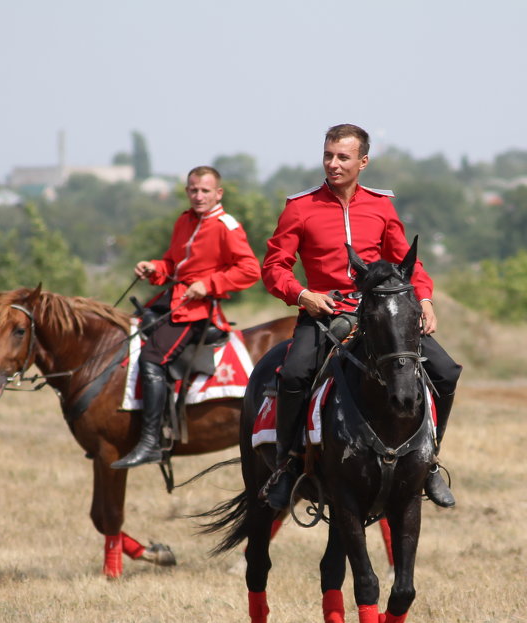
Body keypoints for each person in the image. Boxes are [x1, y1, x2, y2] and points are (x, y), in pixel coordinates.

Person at [260, 123, 462, 509]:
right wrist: (304, 295)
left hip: (382, 314)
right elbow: (273, 268)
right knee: (295, 374)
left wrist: (426, 300)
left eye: (342, 157)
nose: (333, 164)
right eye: (328, 155)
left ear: (363, 161)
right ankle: (286, 467)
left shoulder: (382, 206)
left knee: (446, 371)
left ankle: (430, 462)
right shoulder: (300, 207)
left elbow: (408, 263)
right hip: (324, 313)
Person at [111, 166, 261, 469]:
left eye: (205, 190)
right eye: (193, 190)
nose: (198, 195)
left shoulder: (226, 226)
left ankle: (151, 441)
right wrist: (154, 268)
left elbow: (249, 270)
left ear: (218, 193)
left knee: (152, 358)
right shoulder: (183, 220)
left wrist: (209, 284)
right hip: (171, 301)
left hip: (197, 312)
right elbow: (173, 264)